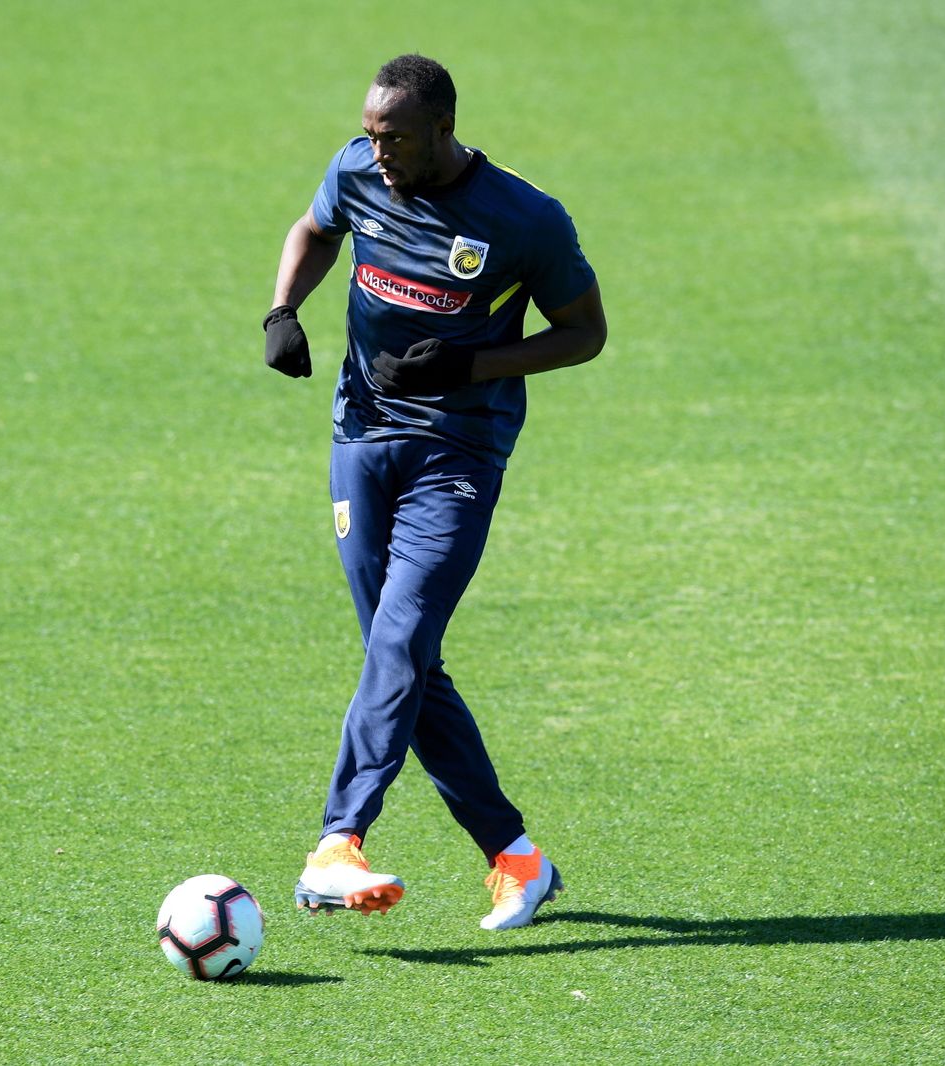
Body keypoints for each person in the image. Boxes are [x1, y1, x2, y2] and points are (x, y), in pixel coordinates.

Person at [264, 54, 606, 930]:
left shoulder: (524, 218)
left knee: (403, 637)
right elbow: (312, 229)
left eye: (397, 140)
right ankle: (517, 858)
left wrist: (472, 363)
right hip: (360, 439)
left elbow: (585, 333)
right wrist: (283, 310)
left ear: (444, 131)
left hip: (458, 452)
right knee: (403, 656)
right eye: (373, 135)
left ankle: (338, 842)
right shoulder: (357, 168)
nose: (379, 154)